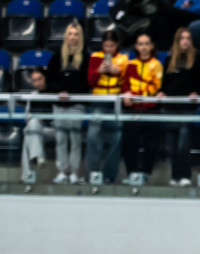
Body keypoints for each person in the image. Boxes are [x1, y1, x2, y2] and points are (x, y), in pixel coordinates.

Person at [159, 27, 200, 186]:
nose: (185, 41)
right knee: (171, 147)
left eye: (188, 38)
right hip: (170, 107)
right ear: (177, 41)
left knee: (182, 146)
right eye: (182, 38)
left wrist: (196, 93)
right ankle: (174, 176)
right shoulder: (170, 59)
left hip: (186, 107)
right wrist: (161, 92)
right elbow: (165, 83)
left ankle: (185, 175)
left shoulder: (198, 58)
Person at [46, 21, 91, 184]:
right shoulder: (56, 57)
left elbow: (86, 82)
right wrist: (59, 92)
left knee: (75, 139)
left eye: (76, 34)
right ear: (66, 36)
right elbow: (50, 80)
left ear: (80, 37)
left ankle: (73, 171)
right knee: (60, 139)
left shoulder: (86, 57)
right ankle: (62, 171)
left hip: (76, 104)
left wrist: (71, 93)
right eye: (70, 34)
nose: (73, 37)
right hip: (59, 104)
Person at [86, 30, 129, 183]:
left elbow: (127, 83)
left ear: (117, 45)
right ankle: (92, 173)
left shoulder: (123, 59)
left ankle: (109, 176)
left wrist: (118, 73)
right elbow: (90, 81)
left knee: (116, 139)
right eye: (106, 45)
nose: (108, 49)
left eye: (111, 46)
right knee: (93, 136)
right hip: (98, 100)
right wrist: (99, 71)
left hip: (115, 102)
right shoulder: (96, 57)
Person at [121, 32, 164, 184]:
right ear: (136, 47)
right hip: (132, 109)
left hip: (150, 109)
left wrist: (135, 93)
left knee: (149, 143)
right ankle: (131, 172)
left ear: (151, 46)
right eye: (141, 44)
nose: (144, 47)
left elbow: (155, 87)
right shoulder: (131, 64)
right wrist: (127, 94)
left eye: (147, 44)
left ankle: (145, 172)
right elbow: (126, 85)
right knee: (129, 143)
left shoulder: (156, 64)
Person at [20, 69, 51, 183]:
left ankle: (27, 175)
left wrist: (45, 120)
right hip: (37, 129)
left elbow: (59, 116)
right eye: (34, 81)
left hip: (52, 129)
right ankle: (39, 157)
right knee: (30, 130)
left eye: (39, 79)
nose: (37, 83)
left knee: (29, 133)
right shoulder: (32, 96)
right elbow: (26, 117)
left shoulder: (52, 94)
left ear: (45, 78)